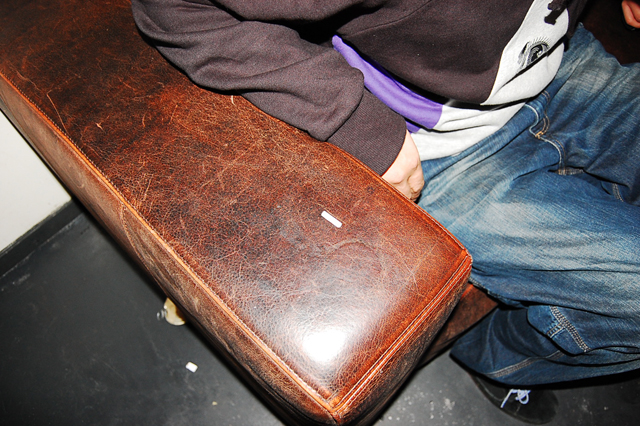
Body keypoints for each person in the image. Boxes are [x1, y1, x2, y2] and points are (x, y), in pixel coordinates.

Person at [131, 0, 640, 423]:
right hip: (437, 150)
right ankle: (500, 357)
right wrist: (358, 124)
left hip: (562, 57)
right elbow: (170, 8)